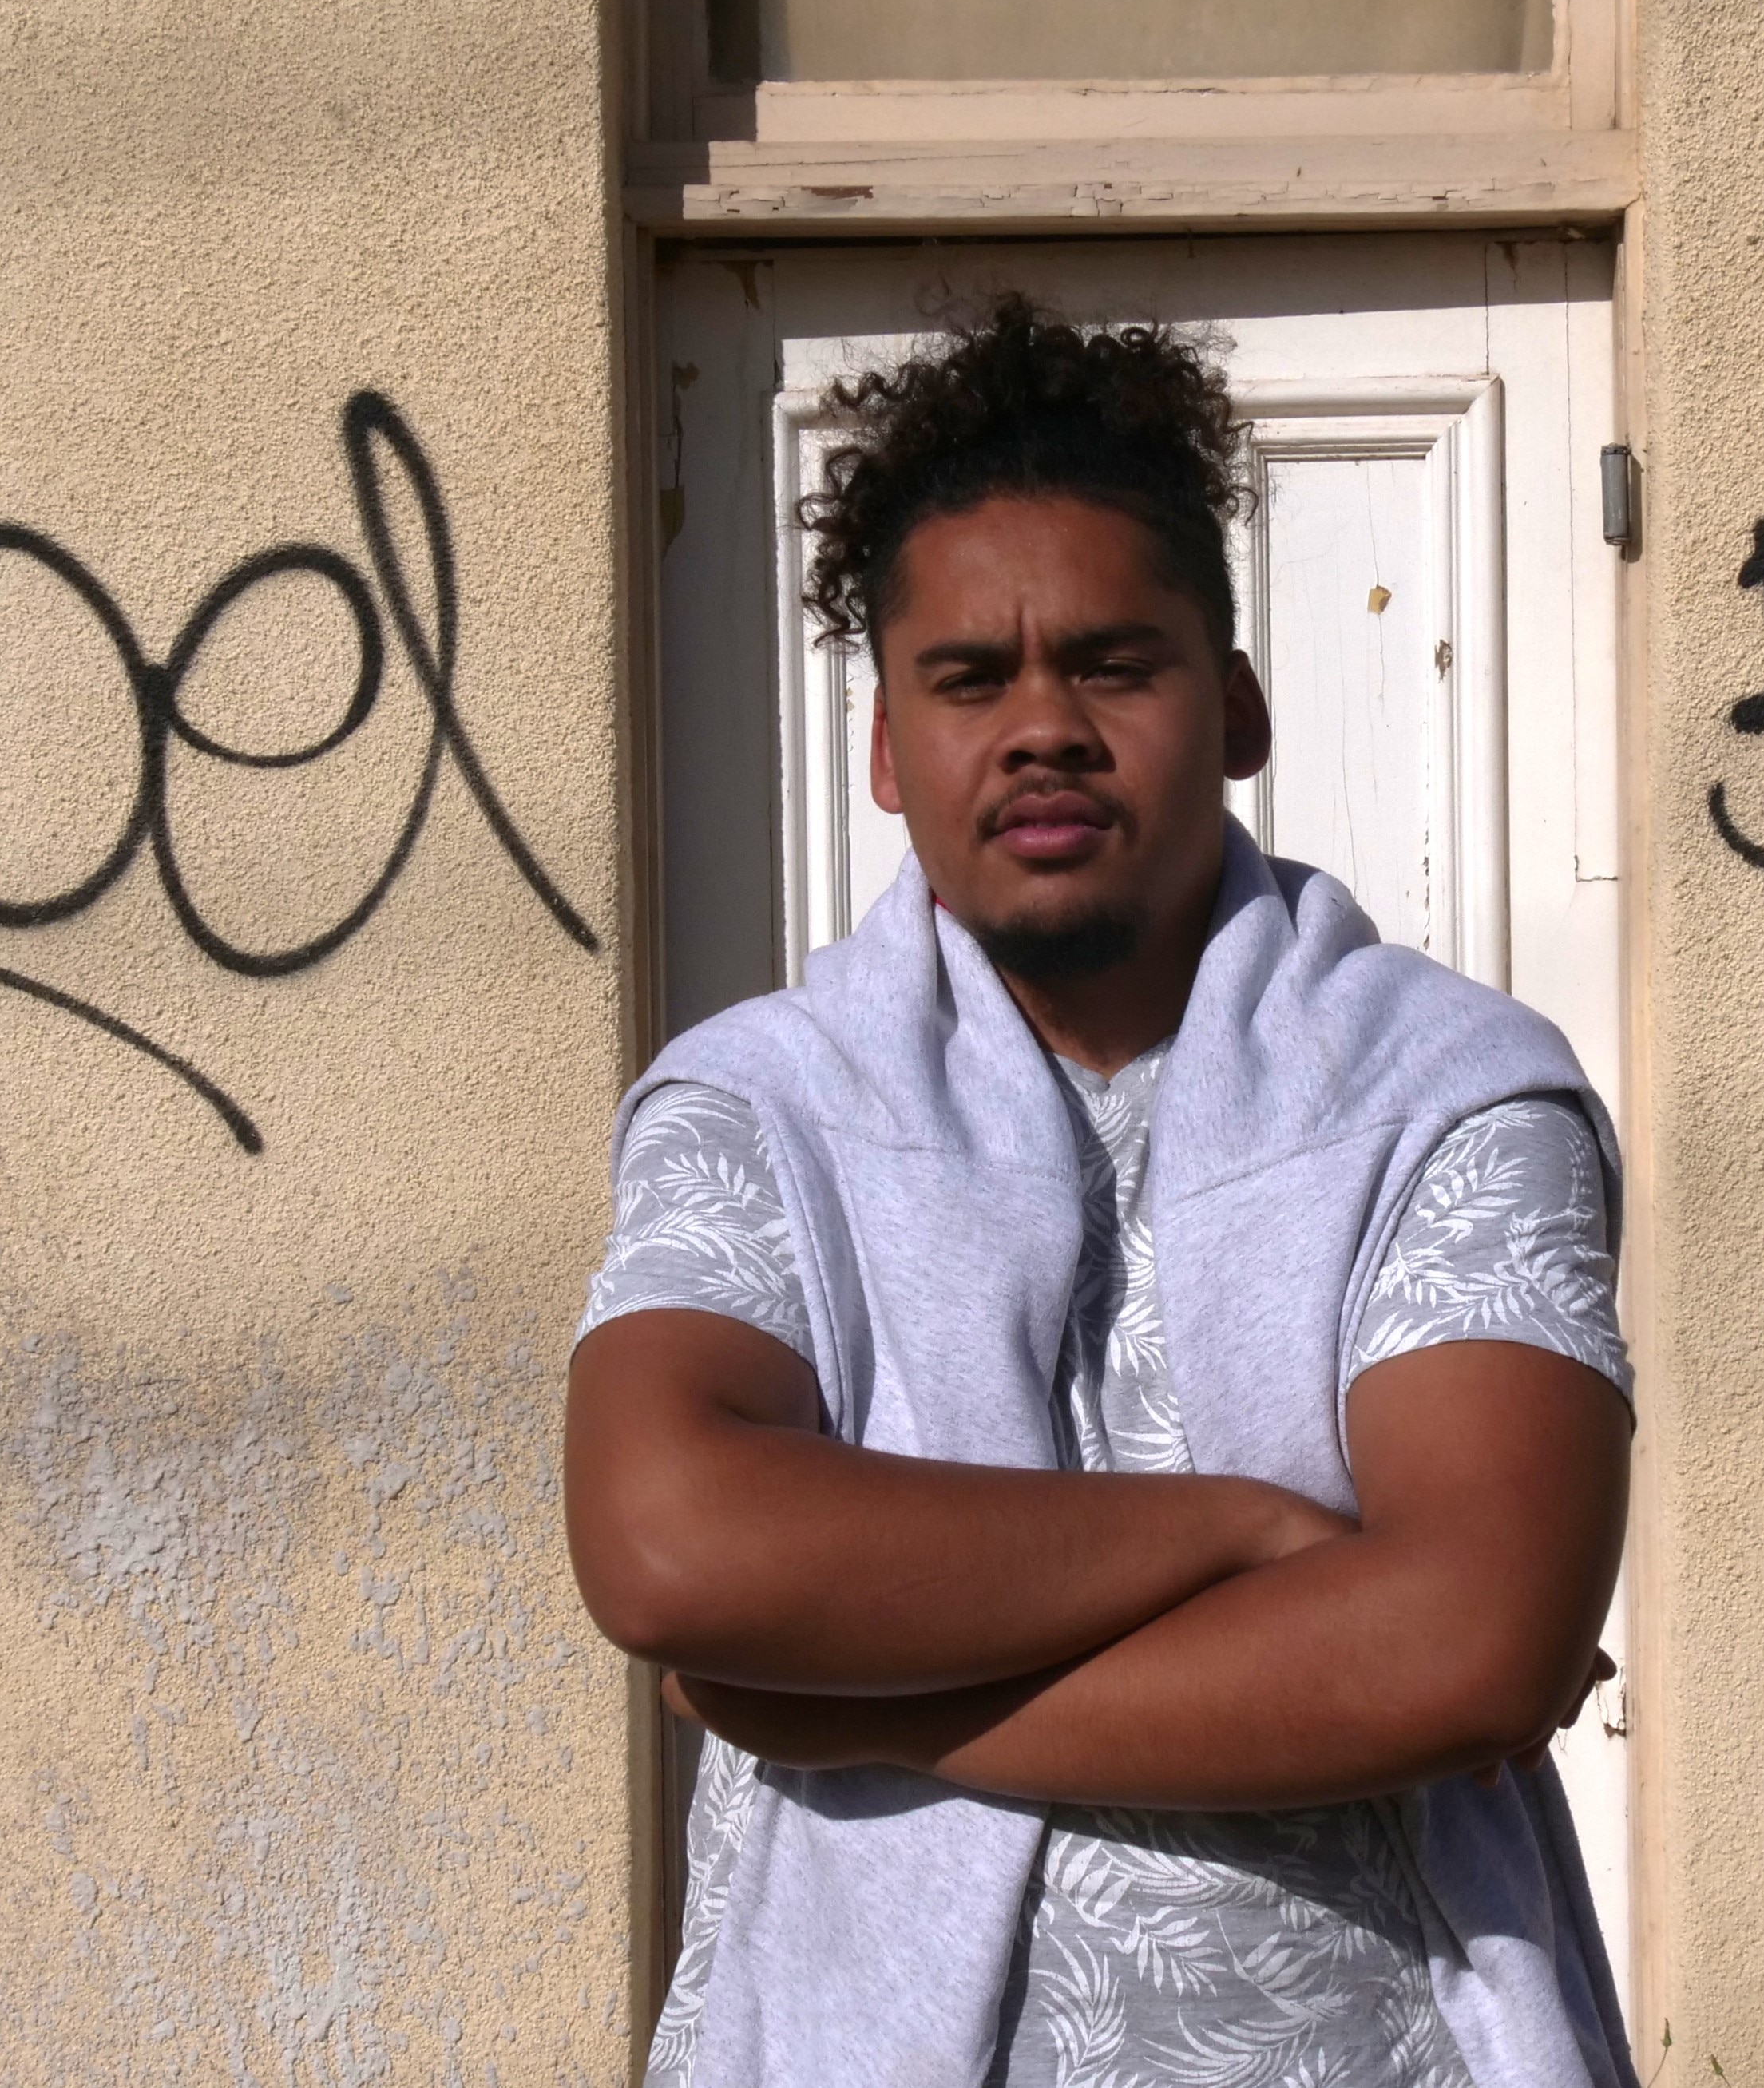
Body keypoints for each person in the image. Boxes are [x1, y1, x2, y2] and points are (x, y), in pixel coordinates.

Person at [566, 299, 1639, 2088]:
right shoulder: (764, 1105)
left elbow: (1469, 1635)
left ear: (1233, 709)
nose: (1043, 728)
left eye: (1114, 664)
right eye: (970, 680)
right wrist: (1244, 1534)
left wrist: (840, 1699)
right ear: (890, 752)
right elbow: (676, 1543)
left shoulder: (1449, 1091)